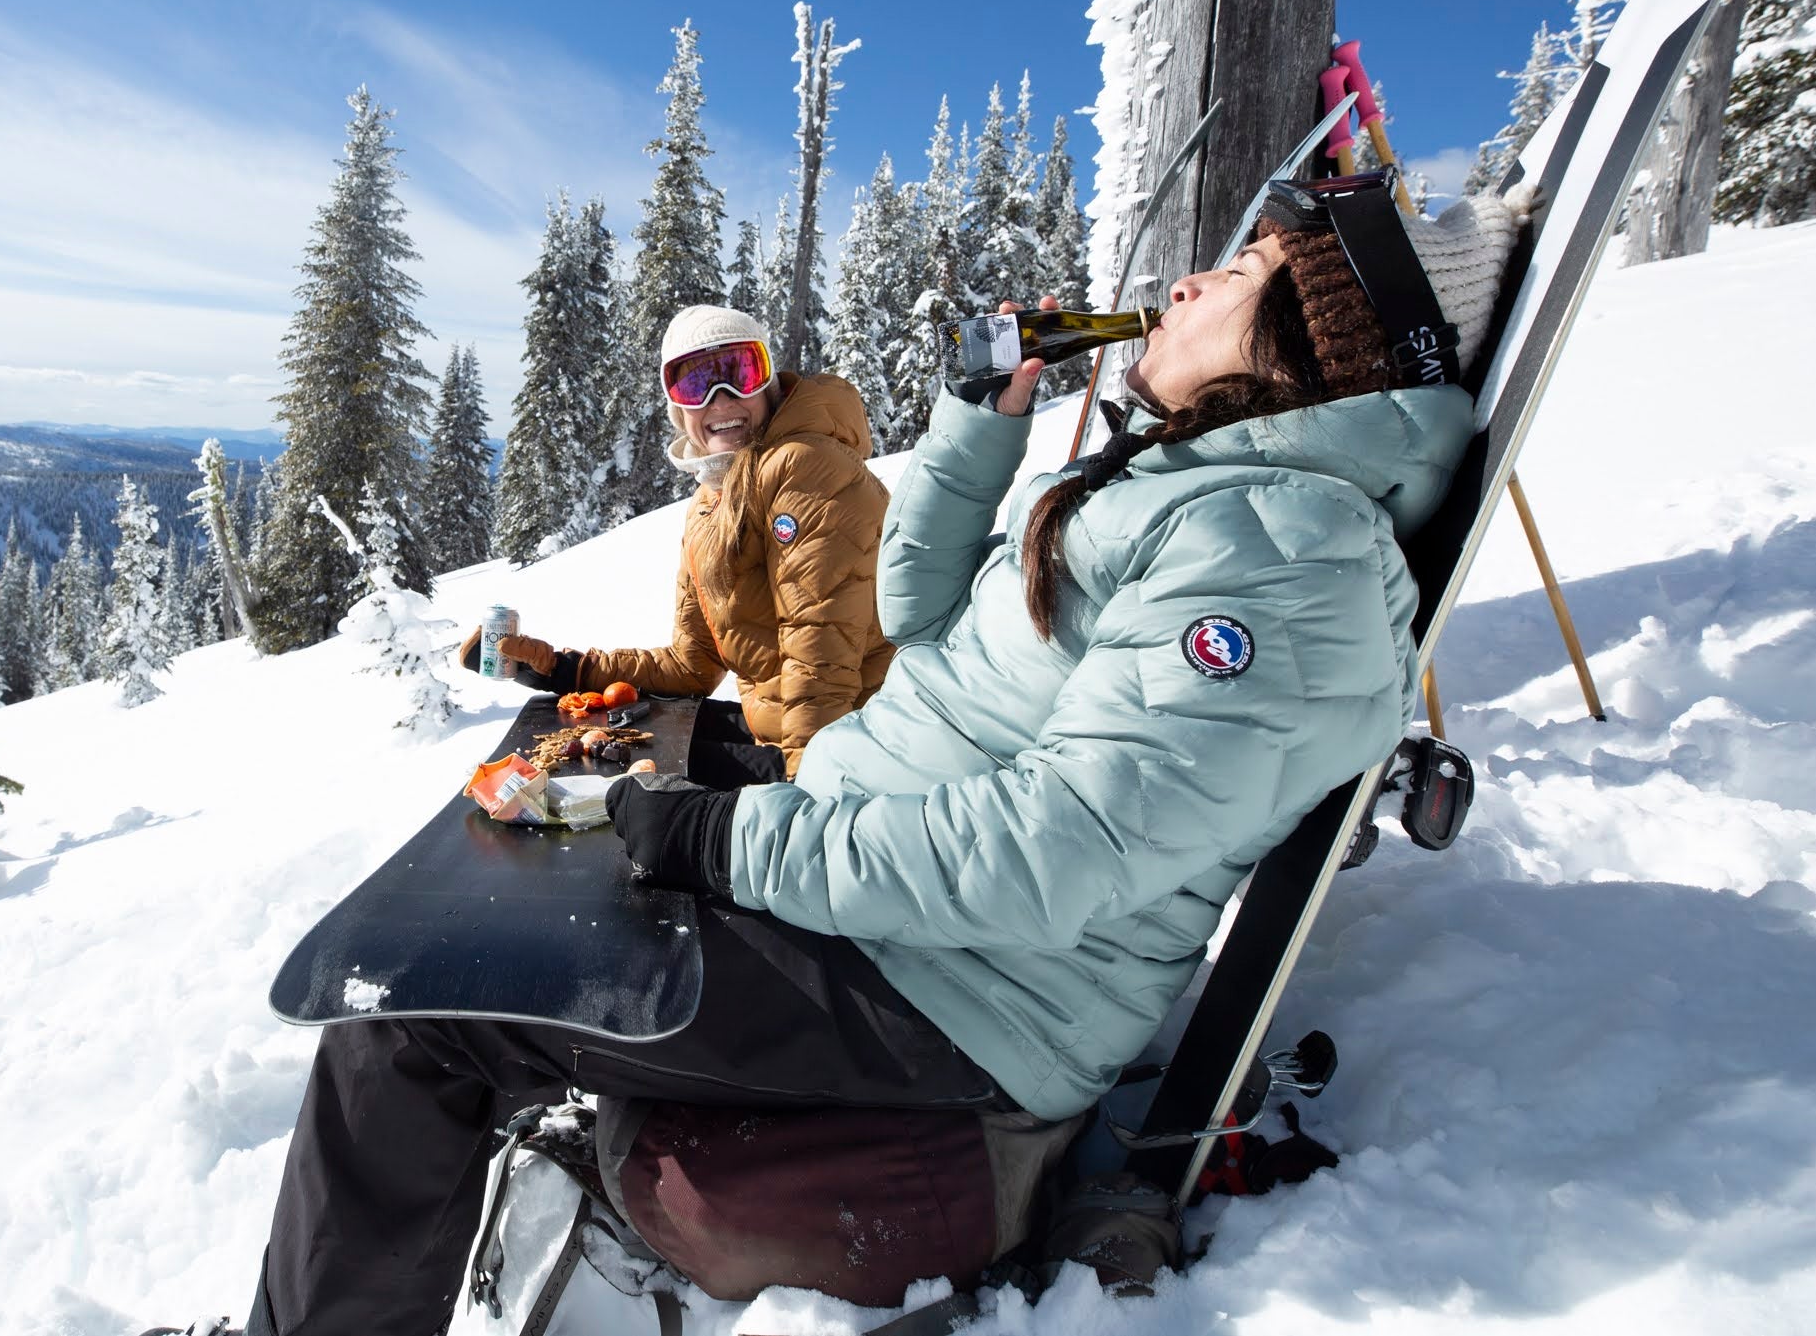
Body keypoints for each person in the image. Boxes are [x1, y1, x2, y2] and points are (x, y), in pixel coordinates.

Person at [236, 178, 1530, 1335]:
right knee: (563, 802)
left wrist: (729, 840)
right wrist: (981, 423)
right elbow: (917, 612)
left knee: (419, 1017)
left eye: (1241, 278)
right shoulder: (1199, 486)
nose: (1188, 281)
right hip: (888, 885)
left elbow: (1054, 854)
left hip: (955, 995)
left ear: (1326, 348)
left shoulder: (1284, 557)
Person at [464, 305, 893, 786]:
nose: (721, 399)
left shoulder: (806, 467)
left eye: (740, 372)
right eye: (695, 385)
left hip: (861, 745)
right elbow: (693, 666)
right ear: (677, 407)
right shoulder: (712, 503)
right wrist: (566, 670)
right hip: (783, 733)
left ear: (769, 380)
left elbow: (821, 664)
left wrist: (808, 808)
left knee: (629, 795)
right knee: (612, 752)